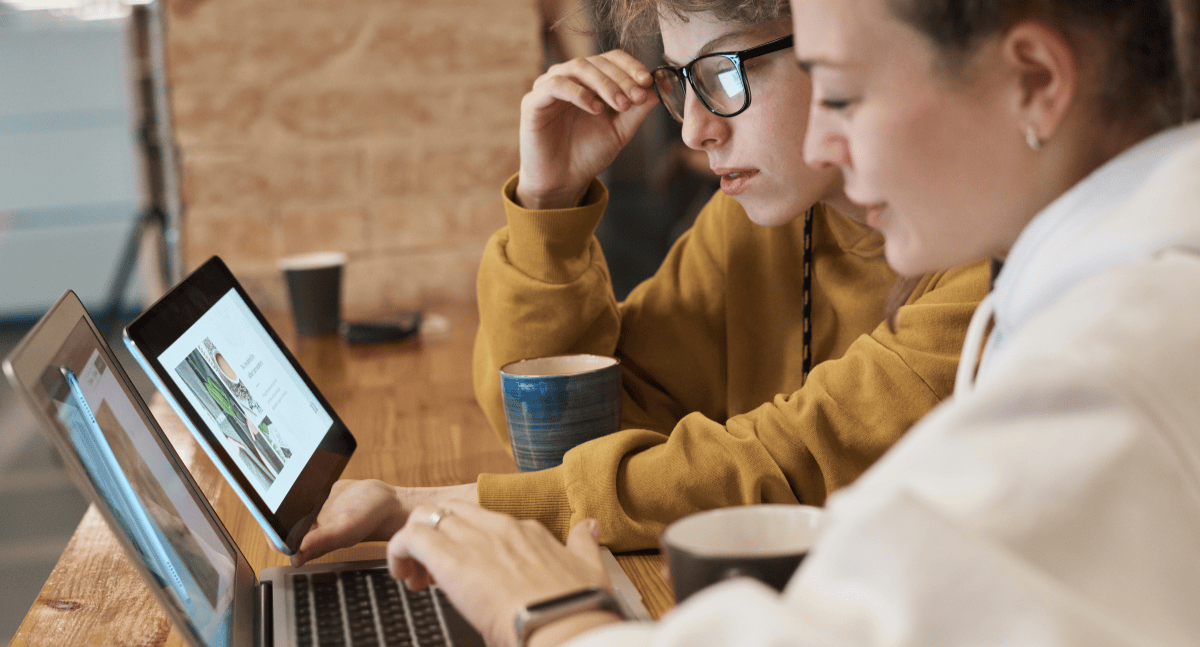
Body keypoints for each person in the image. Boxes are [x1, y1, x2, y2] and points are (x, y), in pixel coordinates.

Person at [336, 0, 1200, 645]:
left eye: (847, 94)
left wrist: (547, 609)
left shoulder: (1118, 352)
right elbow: (572, 420)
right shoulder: (1071, 287)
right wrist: (548, 210)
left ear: (1037, 81)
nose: (825, 148)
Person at [296, 0, 990, 557]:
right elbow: (565, 437)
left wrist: (429, 506)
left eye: (722, 74)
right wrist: (549, 208)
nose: (693, 131)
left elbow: (778, 466)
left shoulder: (991, 268)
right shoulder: (755, 226)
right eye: (682, 82)